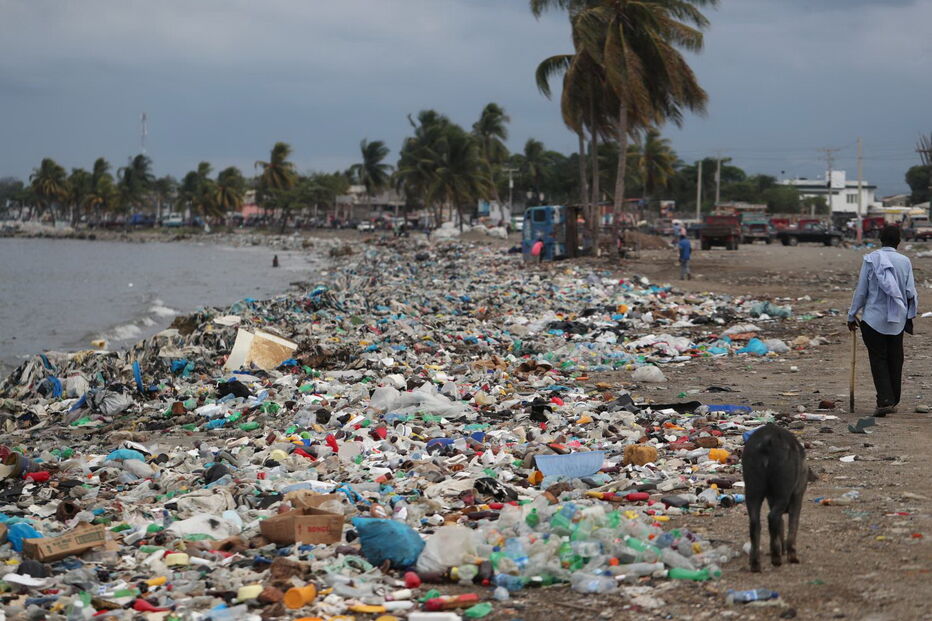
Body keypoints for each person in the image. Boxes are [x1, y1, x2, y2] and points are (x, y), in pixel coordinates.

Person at [847, 225, 917, 417]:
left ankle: (885, 400)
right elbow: (911, 292)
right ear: (899, 241)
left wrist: (852, 315)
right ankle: (892, 400)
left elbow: (861, 291)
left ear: (880, 239)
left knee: (878, 359)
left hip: (873, 319)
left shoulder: (871, 259)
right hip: (898, 320)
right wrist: (909, 316)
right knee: (896, 359)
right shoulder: (905, 261)